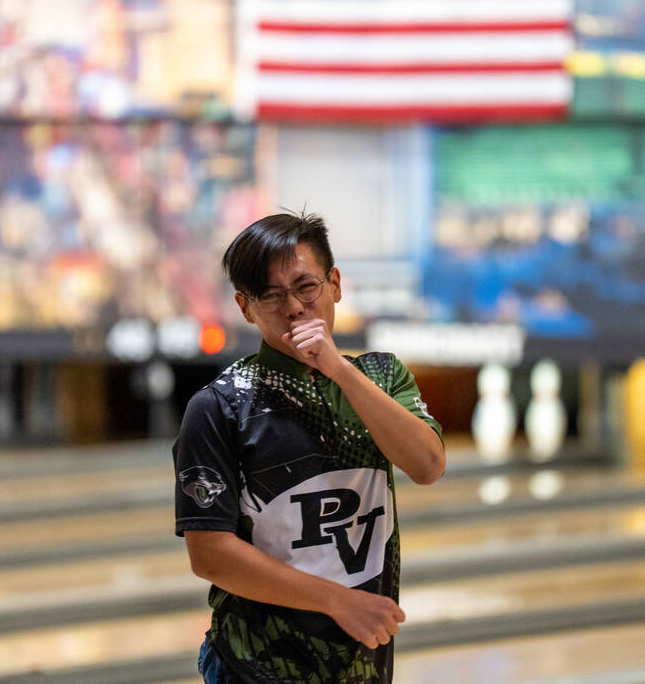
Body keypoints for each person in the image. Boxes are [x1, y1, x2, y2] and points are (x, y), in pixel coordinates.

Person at [173, 211, 446, 684]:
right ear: (245, 306)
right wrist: (338, 601)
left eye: (305, 287)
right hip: (254, 665)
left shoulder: (383, 376)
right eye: (271, 295)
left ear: (334, 284)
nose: (294, 308)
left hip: (362, 663)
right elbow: (210, 554)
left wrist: (339, 368)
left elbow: (426, 465)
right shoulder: (220, 406)